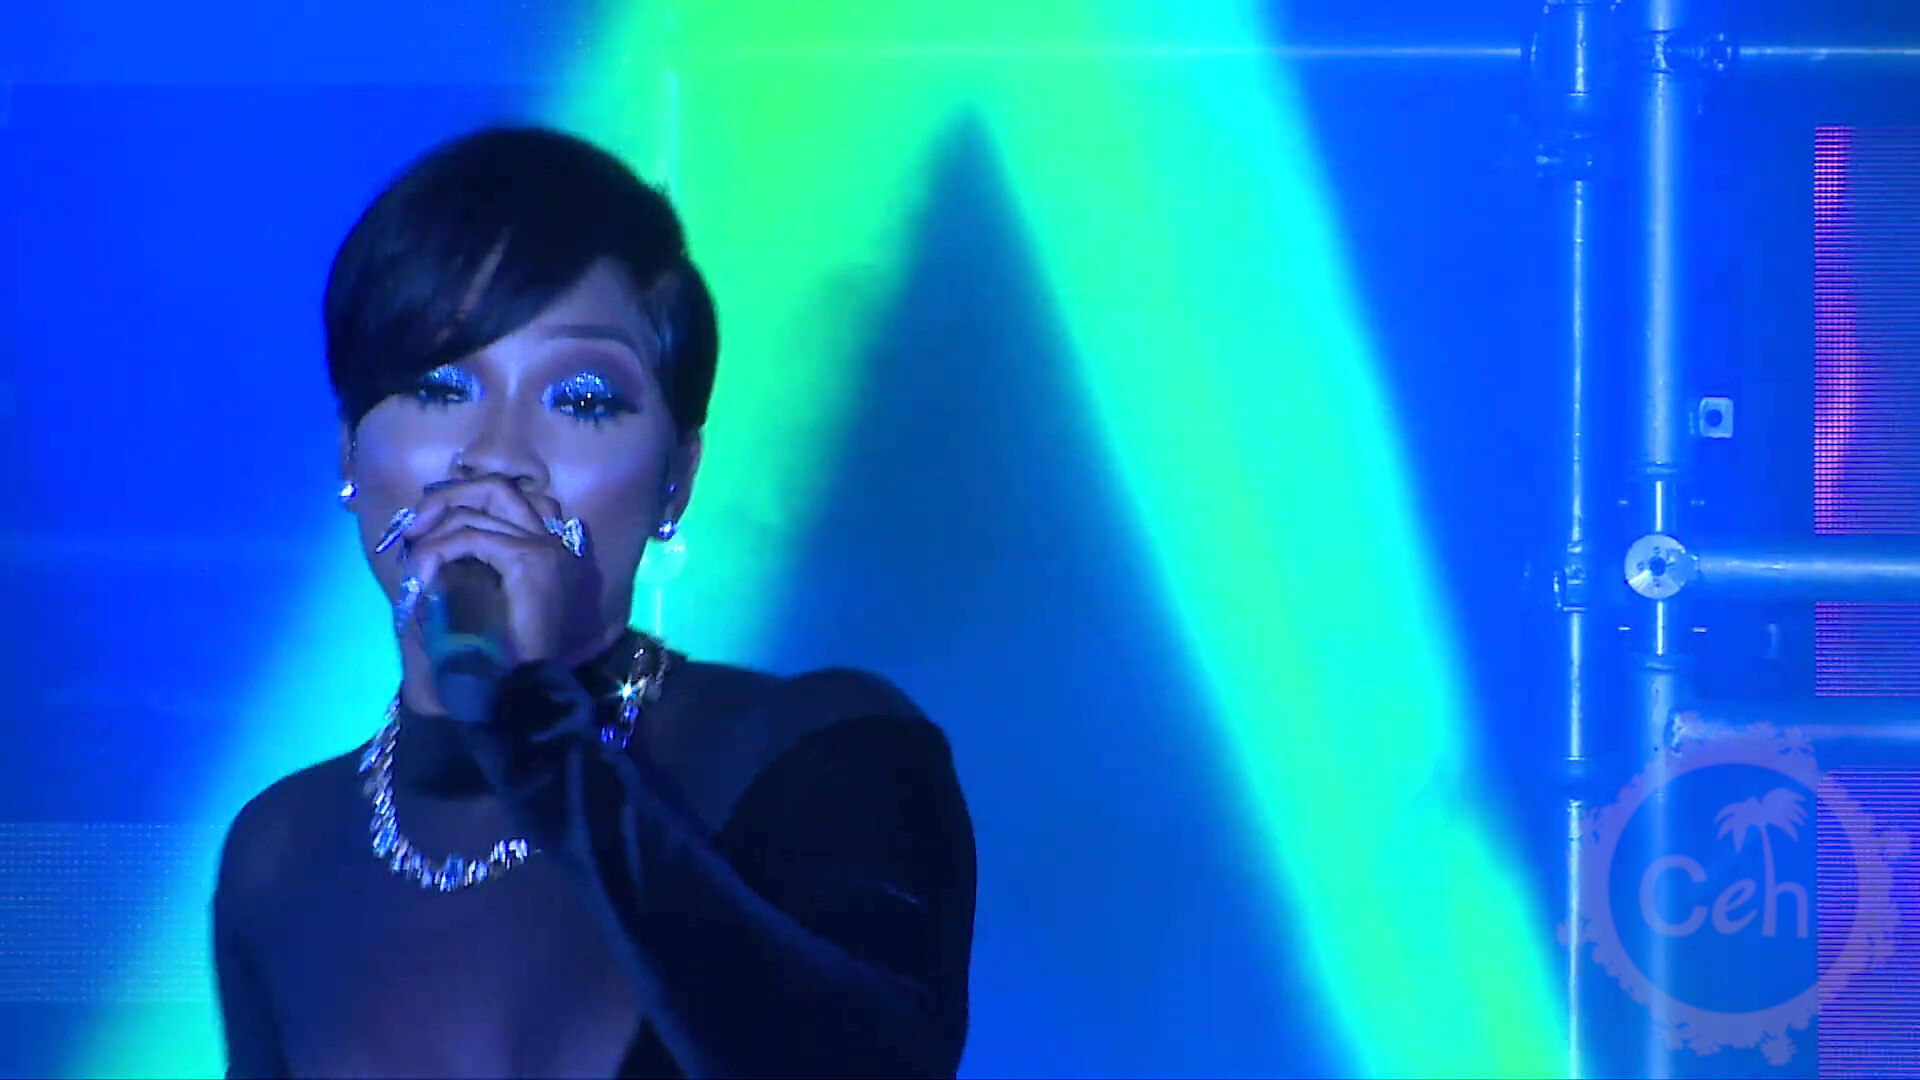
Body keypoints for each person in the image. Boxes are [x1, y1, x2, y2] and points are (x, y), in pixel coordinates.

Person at [210, 126, 978, 1079]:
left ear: (674, 479)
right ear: (349, 453)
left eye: (579, 400)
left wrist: (531, 729)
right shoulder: (281, 850)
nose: (497, 457)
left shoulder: (816, 753)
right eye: (438, 387)